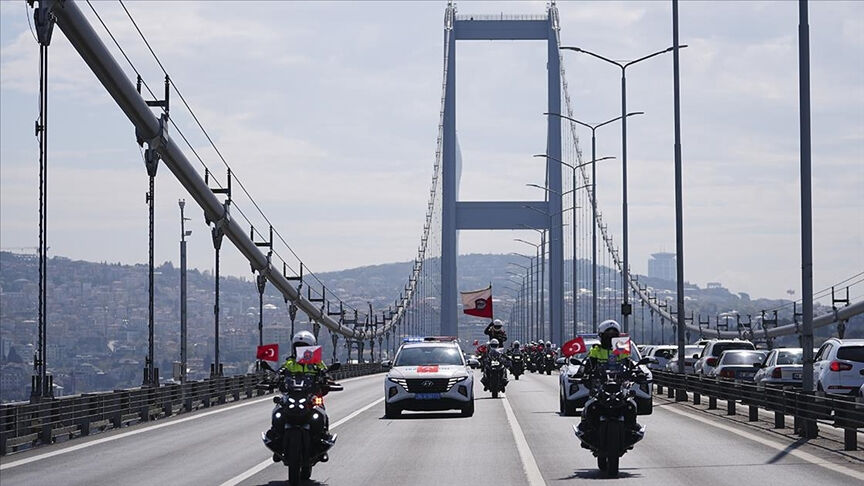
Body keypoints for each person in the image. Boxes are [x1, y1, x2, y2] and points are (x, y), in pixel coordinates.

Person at [266, 330, 334, 462]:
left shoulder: (316, 363)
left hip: (310, 397)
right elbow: (281, 372)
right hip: (292, 395)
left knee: (321, 412)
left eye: (304, 347)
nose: (301, 350)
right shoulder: (290, 363)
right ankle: (276, 440)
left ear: (311, 348)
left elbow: (326, 374)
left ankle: (322, 442)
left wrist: (327, 379)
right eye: (298, 347)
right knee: (278, 411)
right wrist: (274, 377)